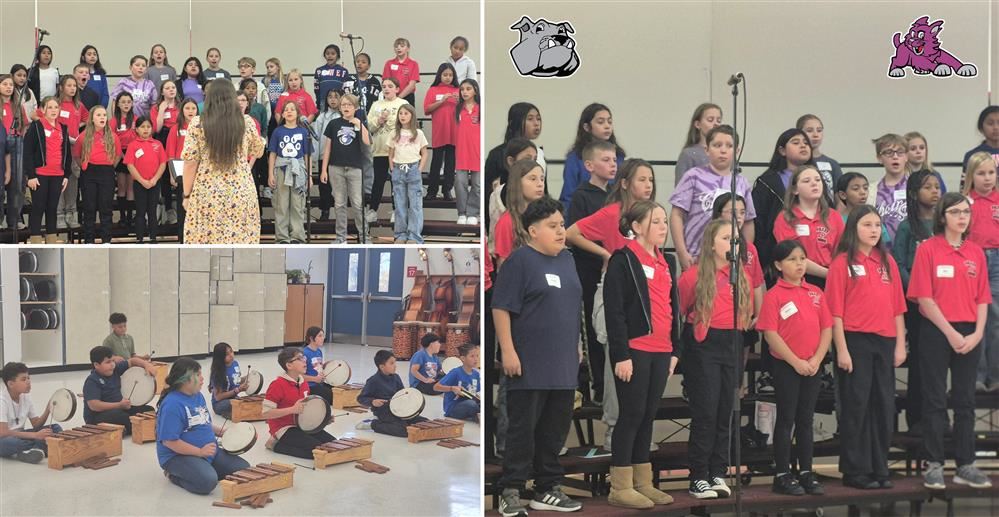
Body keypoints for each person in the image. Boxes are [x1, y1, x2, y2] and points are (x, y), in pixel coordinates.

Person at [493, 197, 584, 515]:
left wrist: (577, 345)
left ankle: (547, 489)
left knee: (554, 431)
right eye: (553, 226)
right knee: (522, 430)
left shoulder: (568, 260)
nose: (561, 231)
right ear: (533, 231)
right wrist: (508, 350)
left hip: (563, 364)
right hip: (528, 364)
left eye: (561, 225)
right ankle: (512, 490)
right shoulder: (520, 261)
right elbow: (501, 307)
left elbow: (572, 307)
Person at [909, 192, 992, 490]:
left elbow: (983, 298)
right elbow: (924, 299)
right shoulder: (928, 249)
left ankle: (965, 464)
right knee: (933, 399)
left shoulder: (975, 252)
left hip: (970, 331)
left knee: (965, 401)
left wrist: (978, 333)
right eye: (956, 212)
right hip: (937, 330)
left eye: (966, 213)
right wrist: (951, 333)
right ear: (942, 216)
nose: (962, 217)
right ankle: (934, 464)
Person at [602, 201, 676, 509]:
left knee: (648, 415)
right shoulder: (623, 260)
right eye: (656, 221)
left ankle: (643, 481)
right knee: (631, 415)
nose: (663, 226)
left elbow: (673, 307)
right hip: (635, 349)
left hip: (662, 350)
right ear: (636, 226)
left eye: (664, 221)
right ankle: (620, 485)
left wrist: (676, 348)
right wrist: (621, 354)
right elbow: (615, 310)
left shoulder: (665, 259)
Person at [826, 206, 906, 489]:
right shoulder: (841, 263)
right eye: (867, 224)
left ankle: (879, 467)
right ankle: (855, 470)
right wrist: (842, 349)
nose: (873, 230)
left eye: (877, 225)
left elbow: (898, 307)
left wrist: (899, 345)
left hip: (884, 340)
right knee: (856, 406)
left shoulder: (887, 261)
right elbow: (834, 311)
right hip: (854, 340)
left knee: (883, 405)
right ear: (853, 228)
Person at [677, 219, 753, 499]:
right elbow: (683, 309)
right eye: (726, 238)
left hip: (732, 343)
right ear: (711, 243)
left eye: (736, 239)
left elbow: (746, 313)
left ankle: (718, 471)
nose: (733, 243)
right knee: (706, 413)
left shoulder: (741, 275)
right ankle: (698, 476)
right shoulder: (693, 276)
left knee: (725, 412)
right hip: (703, 346)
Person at [757, 240, 832, 496]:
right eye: (792, 259)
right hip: (787, 366)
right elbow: (770, 334)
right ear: (778, 265)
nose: (799, 264)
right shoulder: (774, 295)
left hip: (812, 365)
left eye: (802, 259)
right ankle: (782, 473)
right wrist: (796, 361)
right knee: (786, 418)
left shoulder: (816, 293)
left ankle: (807, 471)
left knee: (806, 419)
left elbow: (827, 328)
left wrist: (816, 360)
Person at [180, 79, 264, 244]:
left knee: (206, 244)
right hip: (241, 192)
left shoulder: (197, 123)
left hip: (207, 193)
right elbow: (258, 151)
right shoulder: (246, 122)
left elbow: (190, 163)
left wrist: (187, 195)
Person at [156, 358, 249, 495]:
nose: (202, 378)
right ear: (185, 379)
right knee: (207, 482)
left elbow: (204, 423)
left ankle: (203, 468)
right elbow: (169, 441)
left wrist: (224, 432)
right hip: (177, 456)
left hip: (208, 451)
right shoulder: (172, 405)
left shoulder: (198, 396)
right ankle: (173, 475)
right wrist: (199, 452)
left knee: (244, 470)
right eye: (198, 375)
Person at [891, 170, 940, 429]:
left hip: (944, 304)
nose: (934, 191)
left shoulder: (944, 224)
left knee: (939, 362)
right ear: (913, 192)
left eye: (936, 186)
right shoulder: (907, 226)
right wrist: (919, 293)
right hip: (917, 303)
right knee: (921, 360)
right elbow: (898, 263)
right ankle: (917, 417)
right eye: (927, 187)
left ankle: (938, 418)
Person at [671, 125, 755, 271]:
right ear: (707, 149)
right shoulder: (693, 176)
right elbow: (677, 215)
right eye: (717, 145)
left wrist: (744, 254)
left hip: (731, 259)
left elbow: (748, 221)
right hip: (697, 257)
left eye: (729, 146)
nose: (723, 150)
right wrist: (682, 252)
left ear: (737, 151)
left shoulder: (741, 182)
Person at [772, 164, 844, 288]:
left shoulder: (834, 216)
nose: (814, 184)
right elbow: (790, 256)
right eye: (806, 181)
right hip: (798, 279)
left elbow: (842, 252)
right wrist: (829, 274)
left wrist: (835, 274)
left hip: (830, 279)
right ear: (795, 189)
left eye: (818, 180)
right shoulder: (786, 217)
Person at [752, 128, 814, 274]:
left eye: (806, 142)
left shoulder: (817, 178)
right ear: (782, 150)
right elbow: (759, 221)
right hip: (777, 255)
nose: (803, 146)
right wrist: (765, 258)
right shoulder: (767, 181)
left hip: (815, 252)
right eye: (796, 142)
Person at [963, 153, 999, 393]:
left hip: (997, 260)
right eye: (981, 173)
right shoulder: (965, 203)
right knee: (975, 319)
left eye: (991, 173)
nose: (987, 178)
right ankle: (977, 375)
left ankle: (995, 376)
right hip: (972, 261)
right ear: (970, 177)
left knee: (995, 320)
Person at [261, 348, 336, 459]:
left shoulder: (303, 383)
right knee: (317, 452)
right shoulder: (277, 385)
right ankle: (275, 445)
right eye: (299, 359)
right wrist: (292, 410)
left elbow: (305, 410)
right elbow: (266, 413)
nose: (304, 361)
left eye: (304, 358)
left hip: (302, 425)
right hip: (284, 428)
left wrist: (323, 420)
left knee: (333, 445)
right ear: (289, 365)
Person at [320, 93, 369, 244]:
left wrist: (358, 124)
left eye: (349, 105)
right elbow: (327, 148)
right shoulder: (333, 124)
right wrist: (323, 169)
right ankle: (341, 237)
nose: (346, 107)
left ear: (355, 107)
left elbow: (368, 142)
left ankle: (364, 237)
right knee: (339, 203)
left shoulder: (359, 123)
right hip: (336, 167)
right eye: (343, 105)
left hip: (355, 168)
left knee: (357, 203)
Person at [559, 103, 626, 212]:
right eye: (600, 122)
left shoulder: (619, 156)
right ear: (586, 127)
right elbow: (568, 196)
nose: (607, 126)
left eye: (609, 121)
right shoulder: (576, 157)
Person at [23, 96, 71, 244]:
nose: (53, 110)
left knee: (52, 208)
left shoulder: (63, 128)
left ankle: (51, 237)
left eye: (56, 107)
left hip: (57, 175)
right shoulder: (36, 127)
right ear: (42, 110)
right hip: (40, 174)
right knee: (38, 207)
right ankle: (36, 238)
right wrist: (31, 175)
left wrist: (66, 175)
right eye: (50, 107)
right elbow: (28, 152)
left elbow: (67, 153)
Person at [82, 345, 158, 436]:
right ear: (96, 365)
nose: (112, 364)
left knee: (148, 410)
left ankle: (125, 429)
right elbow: (94, 405)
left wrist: (147, 365)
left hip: (120, 408)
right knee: (121, 416)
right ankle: (138, 429)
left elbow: (132, 361)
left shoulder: (115, 369)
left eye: (113, 361)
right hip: (97, 417)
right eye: (108, 362)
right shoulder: (92, 380)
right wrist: (119, 405)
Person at [267, 100, 312, 244]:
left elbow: (307, 156)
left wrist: (309, 176)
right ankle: (282, 237)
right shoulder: (278, 131)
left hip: (298, 170)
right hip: (281, 168)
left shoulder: (304, 131)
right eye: (286, 109)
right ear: (283, 114)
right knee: (282, 204)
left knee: (298, 205)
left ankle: (297, 236)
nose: (289, 111)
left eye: (292, 109)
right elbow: (272, 154)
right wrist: (270, 174)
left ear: (298, 113)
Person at [74, 105, 120, 243]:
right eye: (98, 115)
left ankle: (106, 240)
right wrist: (84, 166)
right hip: (89, 173)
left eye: (104, 115)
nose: (102, 118)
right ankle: (89, 240)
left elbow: (117, 155)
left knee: (106, 207)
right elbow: (77, 155)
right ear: (92, 119)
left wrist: (110, 166)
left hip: (106, 172)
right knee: (89, 207)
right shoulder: (83, 136)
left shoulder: (112, 136)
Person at [0, 362, 62, 464]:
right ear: (10, 384)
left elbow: (36, 424)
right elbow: (3, 432)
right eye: (23, 379)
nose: (28, 382)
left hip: (22, 435)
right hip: (4, 439)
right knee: (9, 443)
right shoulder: (1, 401)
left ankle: (31, 451)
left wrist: (48, 410)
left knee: (55, 428)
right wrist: (35, 435)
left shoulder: (25, 396)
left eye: (28, 378)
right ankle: (40, 447)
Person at [357, 350, 429, 437]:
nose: (395, 366)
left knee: (425, 423)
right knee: (404, 430)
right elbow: (361, 398)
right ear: (382, 367)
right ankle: (373, 424)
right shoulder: (373, 381)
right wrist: (373, 401)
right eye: (391, 363)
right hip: (384, 412)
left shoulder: (396, 377)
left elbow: (402, 393)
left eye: (395, 363)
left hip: (399, 409)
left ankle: (399, 422)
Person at [387, 103, 428, 244]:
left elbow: (424, 153)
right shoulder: (394, 133)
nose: (403, 116)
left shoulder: (418, 133)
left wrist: (419, 169)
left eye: (406, 113)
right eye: (401, 113)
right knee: (400, 204)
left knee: (415, 204)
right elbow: (390, 153)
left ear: (412, 116)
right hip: (398, 169)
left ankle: (414, 235)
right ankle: (400, 234)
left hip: (413, 169)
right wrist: (392, 168)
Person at [125, 116, 167, 243]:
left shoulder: (157, 144)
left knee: (152, 211)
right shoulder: (133, 145)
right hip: (139, 183)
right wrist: (142, 180)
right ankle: (139, 238)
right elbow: (130, 165)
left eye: (148, 127)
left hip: (154, 182)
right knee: (140, 211)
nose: (145, 129)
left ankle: (153, 237)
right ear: (136, 129)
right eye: (142, 127)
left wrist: (154, 179)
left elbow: (163, 163)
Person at [423, 63, 459, 201]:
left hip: (454, 131)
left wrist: (460, 101)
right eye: (445, 75)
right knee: (436, 162)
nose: (448, 77)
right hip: (439, 131)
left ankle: (447, 190)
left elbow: (467, 109)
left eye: (450, 75)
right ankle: (432, 191)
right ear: (440, 75)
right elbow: (427, 109)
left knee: (451, 163)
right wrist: (442, 101)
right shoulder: (433, 90)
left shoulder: (458, 90)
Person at [872, 133, 910, 244]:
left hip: (908, 249)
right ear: (879, 158)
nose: (895, 156)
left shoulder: (916, 187)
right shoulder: (871, 190)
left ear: (906, 156)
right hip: (881, 250)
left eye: (900, 152)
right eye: (888, 152)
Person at [796, 114, 843, 203]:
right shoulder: (795, 162)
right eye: (809, 131)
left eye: (819, 130)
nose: (815, 135)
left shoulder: (832, 164)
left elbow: (839, 199)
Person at [454, 78, 481, 226]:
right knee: (460, 183)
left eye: (468, 89)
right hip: (462, 153)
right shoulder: (458, 109)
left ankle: (473, 213)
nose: (464, 92)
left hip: (477, 152)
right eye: (462, 89)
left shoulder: (481, 109)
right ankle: (462, 213)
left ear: (475, 90)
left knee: (477, 185)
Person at [674, 103, 722, 185]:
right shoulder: (689, 154)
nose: (716, 124)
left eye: (718, 121)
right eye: (710, 120)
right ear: (697, 124)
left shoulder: (726, 153)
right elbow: (680, 188)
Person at [434, 343, 481, 421]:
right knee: (471, 404)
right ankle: (476, 416)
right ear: (463, 358)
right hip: (453, 408)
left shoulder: (476, 374)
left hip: (469, 403)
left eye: (477, 356)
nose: (476, 359)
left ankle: (476, 415)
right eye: (472, 356)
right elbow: (436, 387)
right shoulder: (455, 372)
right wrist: (452, 388)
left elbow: (475, 392)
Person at [208, 342, 247, 419]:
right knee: (238, 404)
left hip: (233, 398)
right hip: (220, 404)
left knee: (246, 403)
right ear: (220, 357)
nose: (231, 355)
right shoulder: (217, 372)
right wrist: (238, 390)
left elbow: (236, 380)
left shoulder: (235, 364)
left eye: (231, 351)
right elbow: (218, 397)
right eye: (227, 354)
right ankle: (228, 413)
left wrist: (248, 377)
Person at [300, 327, 333, 406]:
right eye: (320, 336)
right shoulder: (304, 353)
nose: (323, 338)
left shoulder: (319, 351)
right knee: (333, 397)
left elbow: (316, 368)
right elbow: (299, 376)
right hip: (309, 386)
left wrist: (325, 366)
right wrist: (314, 379)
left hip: (319, 383)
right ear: (311, 338)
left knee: (338, 391)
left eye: (323, 336)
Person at [382, 38, 420, 106]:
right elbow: (386, 82)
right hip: (391, 96)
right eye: (396, 47)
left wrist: (398, 98)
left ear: (408, 49)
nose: (399, 48)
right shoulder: (389, 63)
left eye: (402, 46)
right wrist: (393, 97)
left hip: (407, 96)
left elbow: (411, 85)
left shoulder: (413, 64)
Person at [313, 44, 349, 110]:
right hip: (323, 102)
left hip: (339, 102)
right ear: (324, 56)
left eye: (333, 54)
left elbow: (346, 90)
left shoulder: (343, 71)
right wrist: (318, 102)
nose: (330, 56)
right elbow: (316, 89)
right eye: (327, 53)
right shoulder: (319, 71)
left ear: (338, 56)